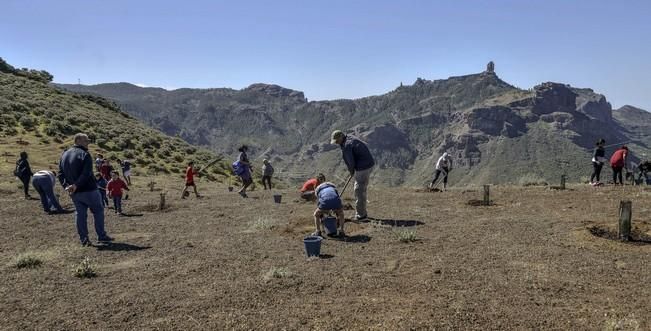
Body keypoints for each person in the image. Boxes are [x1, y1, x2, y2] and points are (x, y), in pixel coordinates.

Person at [58, 133, 113, 246]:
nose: (88, 143)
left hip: (74, 192)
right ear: (77, 140)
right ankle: (101, 236)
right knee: (98, 211)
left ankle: (84, 239)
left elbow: (60, 174)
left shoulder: (64, 155)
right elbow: (86, 173)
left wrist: (67, 186)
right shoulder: (85, 154)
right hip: (89, 190)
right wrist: (76, 185)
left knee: (80, 214)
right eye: (85, 141)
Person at [331, 130, 375, 220]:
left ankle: (361, 215)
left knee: (359, 190)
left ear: (341, 137)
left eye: (336, 141)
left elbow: (350, 162)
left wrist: (352, 171)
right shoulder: (349, 138)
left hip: (363, 167)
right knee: (360, 187)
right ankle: (361, 213)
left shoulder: (347, 145)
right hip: (368, 163)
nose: (336, 143)